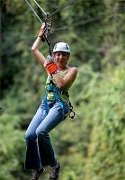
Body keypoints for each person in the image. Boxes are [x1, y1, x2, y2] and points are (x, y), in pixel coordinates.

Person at [24, 23, 77, 180]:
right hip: (45, 105)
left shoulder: (72, 70)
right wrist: (41, 35)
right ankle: (38, 167)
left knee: (41, 132)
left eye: (64, 55)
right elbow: (34, 50)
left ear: (68, 57)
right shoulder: (50, 65)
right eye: (57, 54)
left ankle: (54, 165)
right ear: (54, 55)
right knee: (29, 135)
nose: (60, 57)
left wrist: (51, 66)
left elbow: (61, 84)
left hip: (60, 106)